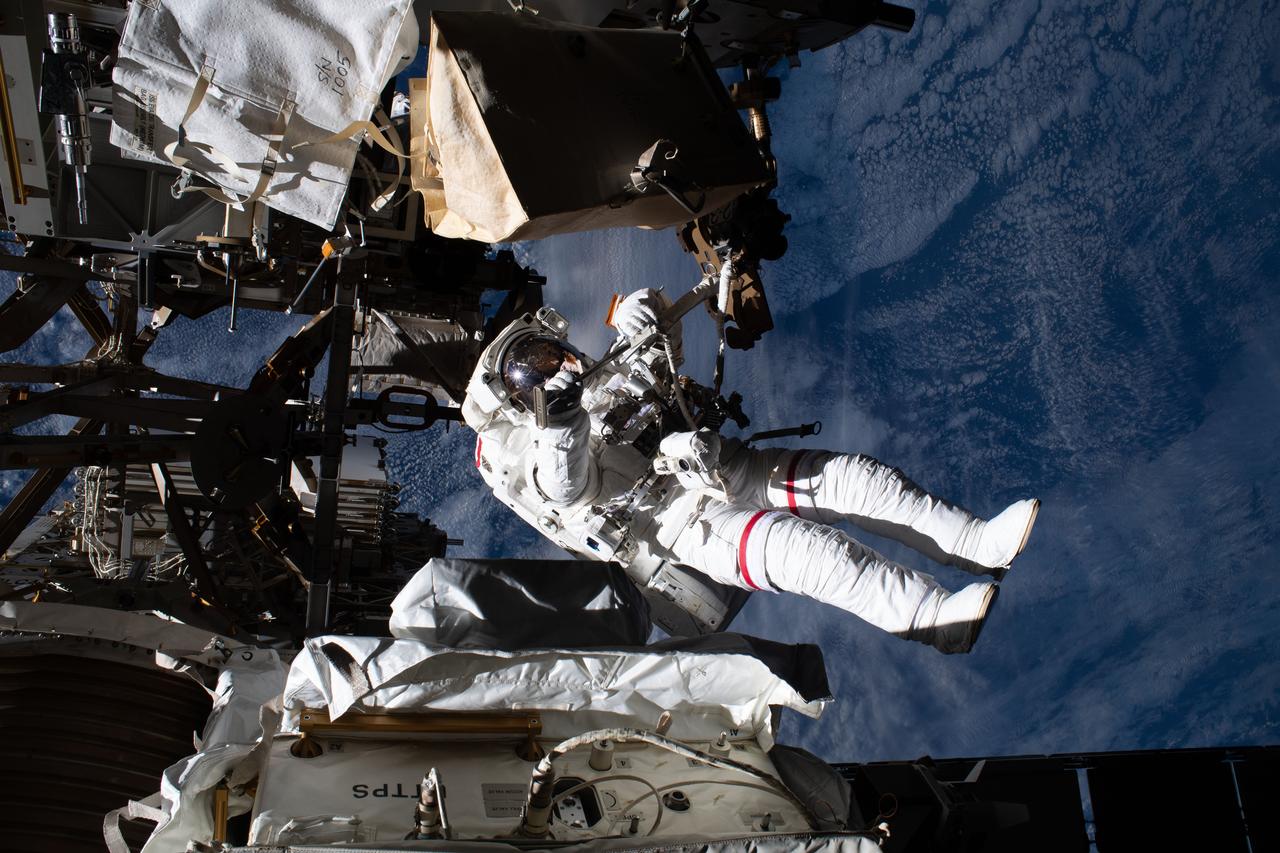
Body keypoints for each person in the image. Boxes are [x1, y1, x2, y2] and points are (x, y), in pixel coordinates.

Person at [462, 289, 1039, 654]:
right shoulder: (535, 460)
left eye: (552, 349)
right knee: (815, 554)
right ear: (520, 397)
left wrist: (650, 313)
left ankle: (973, 542)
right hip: (681, 525)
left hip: (721, 466)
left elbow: (660, 362)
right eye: (539, 367)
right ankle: (933, 618)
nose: (563, 362)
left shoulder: (598, 383)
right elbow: (569, 486)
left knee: (856, 479)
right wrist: (560, 420)